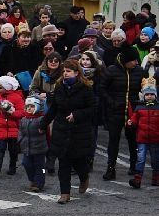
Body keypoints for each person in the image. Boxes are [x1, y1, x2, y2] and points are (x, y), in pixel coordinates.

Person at [41, 59, 96, 204]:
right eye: (64, 71)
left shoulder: (86, 88)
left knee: (79, 162)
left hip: (79, 131)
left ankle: (84, 178)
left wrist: (76, 115)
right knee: (63, 162)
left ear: (76, 73)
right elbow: (54, 108)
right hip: (62, 129)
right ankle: (65, 193)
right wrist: (43, 123)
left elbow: (92, 109)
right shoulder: (60, 87)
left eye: (68, 71)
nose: (65, 74)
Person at [101, 47, 144, 180]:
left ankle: (133, 165)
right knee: (114, 141)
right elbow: (102, 88)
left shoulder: (139, 71)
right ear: (126, 61)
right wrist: (111, 102)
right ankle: (111, 168)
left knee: (133, 140)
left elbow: (145, 87)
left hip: (133, 111)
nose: (136, 63)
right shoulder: (111, 71)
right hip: (115, 111)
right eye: (133, 60)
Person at [126, 85, 159, 188]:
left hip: (155, 138)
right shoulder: (139, 107)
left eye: (152, 94)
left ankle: (156, 178)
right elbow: (134, 120)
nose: (149, 96)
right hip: (142, 139)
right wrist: (130, 122)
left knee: (155, 159)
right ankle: (137, 179)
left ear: (155, 95)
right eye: (147, 94)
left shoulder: (158, 107)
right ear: (143, 96)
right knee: (140, 159)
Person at [18, 96, 48, 192]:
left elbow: (47, 131)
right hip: (27, 147)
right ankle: (33, 179)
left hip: (39, 147)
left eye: (32, 106)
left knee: (41, 167)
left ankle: (39, 183)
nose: (29, 109)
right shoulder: (24, 119)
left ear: (38, 107)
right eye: (27, 107)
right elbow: (21, 131)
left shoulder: (41, 119)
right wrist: (19, 140)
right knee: (26, 164)